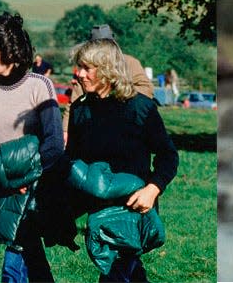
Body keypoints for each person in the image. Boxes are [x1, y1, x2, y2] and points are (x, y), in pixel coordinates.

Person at [66, 38, 179, 282]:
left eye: (87, 68)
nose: (79, 74)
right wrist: (63, 212)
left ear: (107, 70)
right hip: (99, 210)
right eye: (79, 67)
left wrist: (153, 188)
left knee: (116, 273)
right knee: (127, 272)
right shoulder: (80, 111)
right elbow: (72, 162)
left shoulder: (141, 108)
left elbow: (168, 155)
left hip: (134, 209)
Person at [0, 13, 63, 283]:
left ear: (11, 52)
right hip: (2, 187)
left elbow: (54, 143)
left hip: (37, 189)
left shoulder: (39, 86)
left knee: (16, 256)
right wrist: (0, 176)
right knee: (29, 253)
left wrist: (23, 179)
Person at [63, 24, 153, 139]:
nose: (81, 73)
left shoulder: (129, 62)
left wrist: (121, 96)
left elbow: (146, 88)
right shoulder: (85, 70)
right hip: (91, 117)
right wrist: (65, 129)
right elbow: (74, 100)